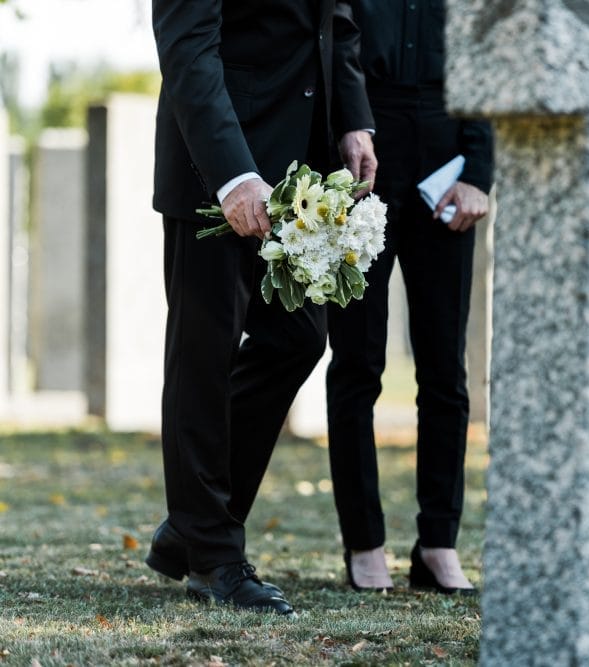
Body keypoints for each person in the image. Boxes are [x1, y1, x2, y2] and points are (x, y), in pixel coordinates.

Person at [145, 0, 377, 614]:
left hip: (302, 166)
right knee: (203, 358)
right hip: (216, 167)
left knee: (298, 339)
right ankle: (214, 557)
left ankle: (192, 528)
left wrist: (354, 120)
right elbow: (188, 47)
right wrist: (232, 176)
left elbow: (338, 21)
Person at [325, 0, 494, 593]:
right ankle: (364, 543)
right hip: (361, 148)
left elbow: (492, 56)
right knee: (357, 362)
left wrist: (479, 171)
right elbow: (334, 40)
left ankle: (439, 544)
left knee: (446, 368)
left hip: (448, 157)